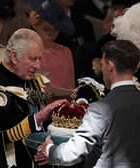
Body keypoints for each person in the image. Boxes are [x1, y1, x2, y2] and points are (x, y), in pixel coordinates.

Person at [35, 40, 140, 168]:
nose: (102, 70)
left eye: (102, 64)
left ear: (110, 66)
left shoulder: (101, 109)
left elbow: (73, 153)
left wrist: (49, 149)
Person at [0, 28, 67, 168]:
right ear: (14, 56)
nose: (38, 66)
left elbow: (40, 126)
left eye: (40, 59)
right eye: (33, 59)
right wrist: (39, 117)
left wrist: (46, 148)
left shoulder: (32, 82)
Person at [28, 10, 75, 90]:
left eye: (56, 29)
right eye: (46, 29)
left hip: (62, 100)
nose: (51, 33)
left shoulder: (65, 52)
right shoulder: (27, 50)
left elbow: (70, 87)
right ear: (36, 26)